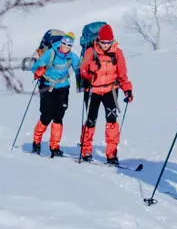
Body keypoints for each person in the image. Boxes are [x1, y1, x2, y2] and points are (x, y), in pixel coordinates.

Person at [77, 24, 133, 164]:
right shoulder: (91, 52)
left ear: (112, 40)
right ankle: (86, 150)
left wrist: (127, 89)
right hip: (92, 91)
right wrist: (90, 71)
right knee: (90, 121)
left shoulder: (117, 53)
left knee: (112, 120)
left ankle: (111, 154)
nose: (106, 45)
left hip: (110, 90)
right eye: (103, 42)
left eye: (108, 42)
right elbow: (83, 71)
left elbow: (122, 74)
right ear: (99, 40)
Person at [30, 31, 82, 157]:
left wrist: (82, 79)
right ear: (61, 43)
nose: (65, 47)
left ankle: (54, 147)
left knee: (59, 116)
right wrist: (39, 70)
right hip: (47, 86)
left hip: (63, 87)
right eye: (64, 44)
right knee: (47, 115)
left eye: (68, 46)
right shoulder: (50, 53)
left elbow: (79, 69)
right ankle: (36, 142)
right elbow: (34, 67)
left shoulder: (72, 57)